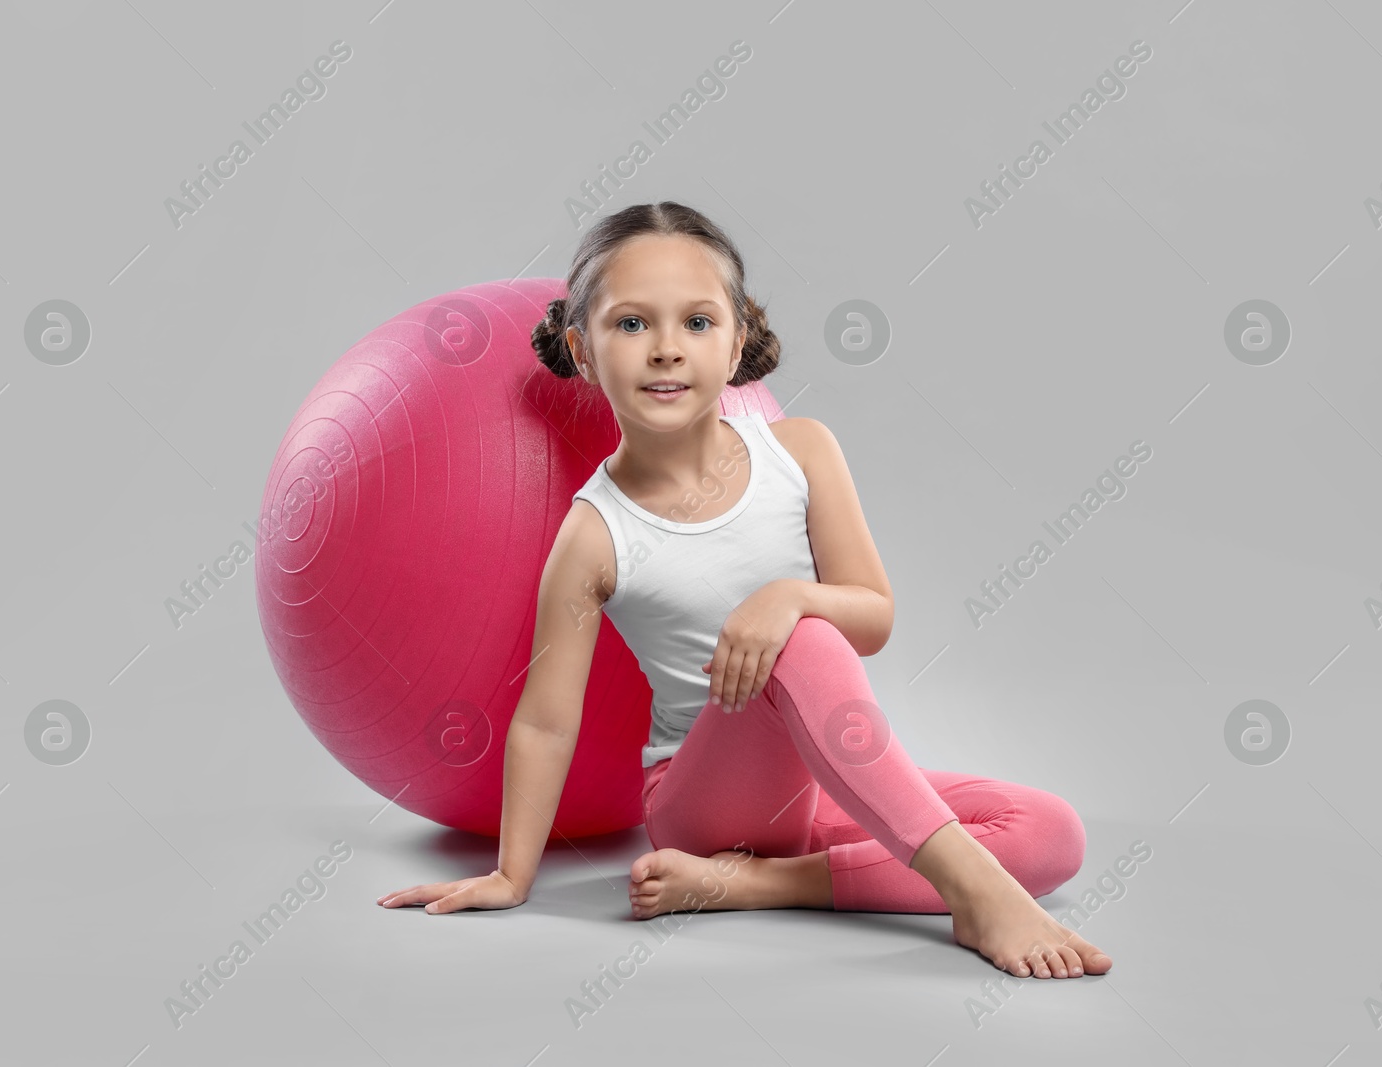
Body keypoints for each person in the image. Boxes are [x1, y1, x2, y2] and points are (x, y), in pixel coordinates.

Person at [377, 201, 1112, 979]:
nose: (666, 350)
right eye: (631, 325)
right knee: (807, 637)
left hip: (813, 781)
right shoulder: (596, 532)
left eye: (697, 322)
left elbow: (873, 614)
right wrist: (510, 874)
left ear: (736, 343)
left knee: (1051, 832)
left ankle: (761, 883)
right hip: (699, 803)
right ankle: (972, 889)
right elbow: (547, 722)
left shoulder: (802, 451)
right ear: (582, 349)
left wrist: (786, 597)